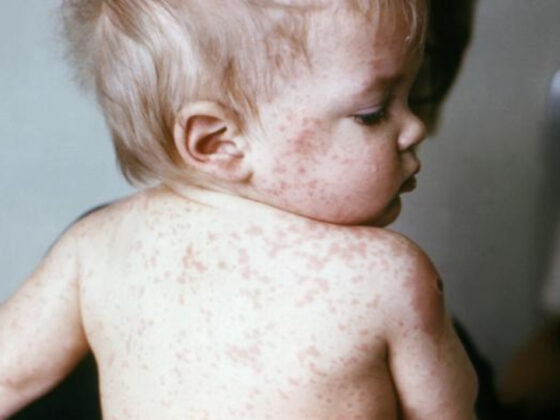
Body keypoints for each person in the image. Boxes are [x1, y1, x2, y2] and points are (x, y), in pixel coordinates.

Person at [0, 1, 479, 418]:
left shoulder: (94, 246)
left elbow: (9, 376)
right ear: (218, 142)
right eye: (373, 112)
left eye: (410, 95)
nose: (415, 127)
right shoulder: (388, 276)